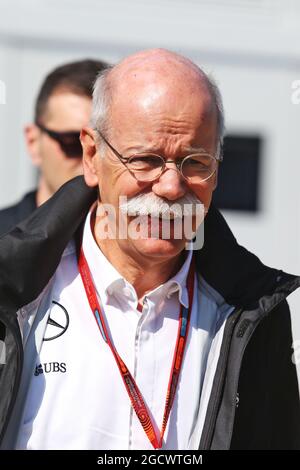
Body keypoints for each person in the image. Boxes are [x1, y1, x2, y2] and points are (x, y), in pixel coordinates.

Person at [0, 48, 299, 451]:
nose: (172, 187)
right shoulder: (13, 291)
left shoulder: (254, 310)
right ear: (92, 156)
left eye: (195, 162)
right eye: (145, 160)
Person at [0, 58, 109, 236]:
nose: (89, 159)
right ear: (33, 142)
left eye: (103, 146)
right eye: (72, 142)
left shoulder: (144, 247)